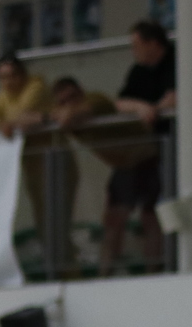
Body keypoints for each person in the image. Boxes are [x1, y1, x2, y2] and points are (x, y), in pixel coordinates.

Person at [49, 76, 160, 275]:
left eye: (73, 97)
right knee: (113, 221)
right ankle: (105, 274)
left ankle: (154, 271)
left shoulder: (95, 101)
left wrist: (60, 113)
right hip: (124, 166)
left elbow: (71, 117)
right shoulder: (67, 113)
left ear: (81, 93)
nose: (70, 103)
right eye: (63, 101)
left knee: (150, 218)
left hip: (146, 159)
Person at [0, 54, 76, 275]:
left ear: (23, 74)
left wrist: (8, 123)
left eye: (13, 76)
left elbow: (22, 114)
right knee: (43, 222)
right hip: (34, 166)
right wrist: (4, 123)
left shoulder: (36, 86)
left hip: (55, 162)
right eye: (3, 78)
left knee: (57, 222)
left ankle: (70, 272)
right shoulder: (4, 95)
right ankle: (56, 270)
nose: (8, 82)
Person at [105, 20, 175, 273]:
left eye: (136, 45)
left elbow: (177, 96)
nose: (133, 50)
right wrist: (140, 107)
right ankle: (106, 271)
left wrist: (156, 110)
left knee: (153, 213)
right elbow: (119, 103)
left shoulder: (176, 61)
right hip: (138, 150)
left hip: (166, 149)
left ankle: (154, 269)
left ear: (152, 43)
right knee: (116, 211)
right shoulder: (138, 71)